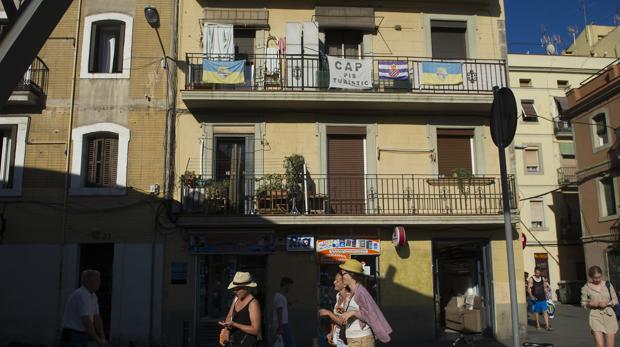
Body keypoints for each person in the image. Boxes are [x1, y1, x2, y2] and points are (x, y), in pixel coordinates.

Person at [336, 259, 392, 347]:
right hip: (353, 337)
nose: (342, 277)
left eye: (343, 274)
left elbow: (370, 314)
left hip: (361, 338)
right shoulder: (353, 291)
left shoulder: (360, 292)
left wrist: (352, 313)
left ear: (352, 275)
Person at [61, 269, 107, 347]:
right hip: (73, 334)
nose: (99, 282)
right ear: (88, 281)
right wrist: (98, 340)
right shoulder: (81, 295)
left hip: (81, 334)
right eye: (96, 280)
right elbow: (86, 320)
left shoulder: (93, 296)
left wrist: (102, 336)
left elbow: (96, 317)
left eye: (99, 280)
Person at [220, 272, 262, 347]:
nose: (235, 291)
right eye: (234, 289)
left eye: (238, 289)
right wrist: (226, 328)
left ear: (247, 288)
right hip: (233, 342)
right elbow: (229, 316)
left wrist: (234, 324)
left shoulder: (253, 303)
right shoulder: (236, 298)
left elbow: (255, 330)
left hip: (247, 343)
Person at [581, 265, 618, 347]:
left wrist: (607, 303)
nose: (597, 279)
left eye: (599, 277)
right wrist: (591, 304)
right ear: (591, 277)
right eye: (595, 278)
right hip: (595, 316)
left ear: (601, 275)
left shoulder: (608, 284)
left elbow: (615, 300)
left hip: (609, 315)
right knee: (600, 345)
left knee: (610, 345)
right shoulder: (586, 287)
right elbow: (583, 303)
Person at [319, 272, 351, 347]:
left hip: (347, 340)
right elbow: (335, 317)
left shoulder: (350, 299)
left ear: (344, 284)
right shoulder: (338, 296)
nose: (334, 282)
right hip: (338, 338)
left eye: (337, 281)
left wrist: (329, 313)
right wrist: (331, 332)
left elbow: (345, 323)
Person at [272, 277, 295, 347]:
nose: (290, 288)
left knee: (285, 343)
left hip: (283, 323)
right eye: (289, 286)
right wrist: (280, 327)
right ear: (285, 284)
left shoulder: (281, 297)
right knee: (290, 344)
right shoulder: (280, 297)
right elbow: (279, 312)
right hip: (283, 324)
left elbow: (282, 308)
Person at [528, 266, 552, 331]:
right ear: (534, 272)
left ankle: (547, 326)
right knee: (536, 312)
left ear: (540, 272)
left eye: (539, 273)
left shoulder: (543, 279)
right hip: (535, 299)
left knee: (545, 311)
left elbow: (544, 288)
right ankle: (538, 324)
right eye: (536, 273)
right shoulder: (531, 279)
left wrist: (547, 293)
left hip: (542, 298)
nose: (538, 274)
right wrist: (531, 296)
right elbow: (529, 289)